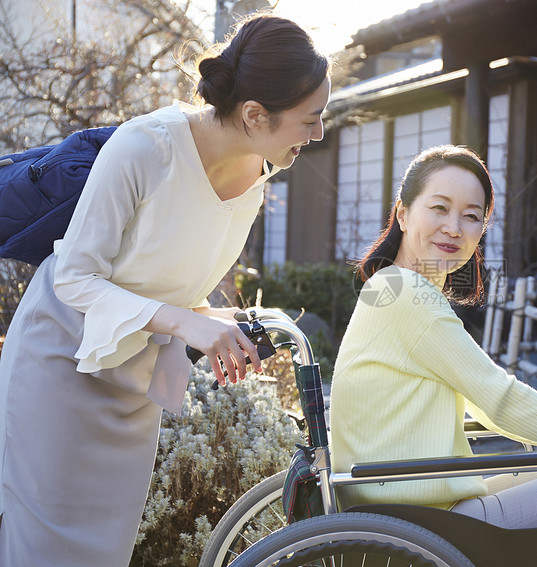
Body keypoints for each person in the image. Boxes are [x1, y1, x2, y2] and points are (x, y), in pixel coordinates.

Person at [0, 14, 330, 565]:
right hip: (59, 364)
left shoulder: (257, 171)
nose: (318, 133)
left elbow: (171, 287)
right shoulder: (144, 149)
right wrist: (186, 321)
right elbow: (78, 277)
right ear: (254, 114)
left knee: (104, 551)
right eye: (310, 118)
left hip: (130, 388)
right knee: (43, 549)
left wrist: (220, 322)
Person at [330, 145, 537, 567]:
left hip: (406, 506)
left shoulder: (392, 287)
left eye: (471, 216)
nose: (454, 227)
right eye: (439, 208)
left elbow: (483, 402)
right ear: (402, 213)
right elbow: (499, 397)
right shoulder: (408, 296)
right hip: (424, 522)